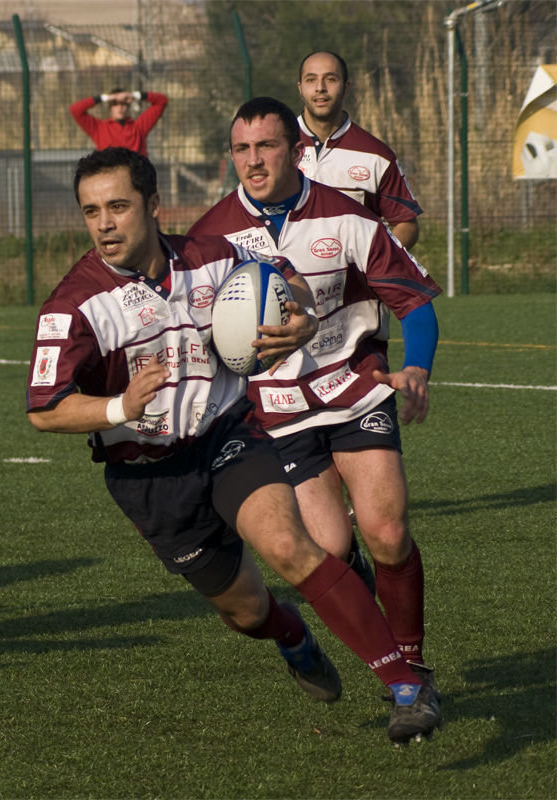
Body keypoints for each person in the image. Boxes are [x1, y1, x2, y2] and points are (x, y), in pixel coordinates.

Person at [26, 145, 442, 745]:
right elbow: (45, 410)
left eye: (118, 206)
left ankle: (407, 687)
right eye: (91, 211)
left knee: (289, 545)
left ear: (154, 205)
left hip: (227, 434)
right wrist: (119, 408)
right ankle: (291, 636)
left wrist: (298, 317)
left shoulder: (215, 255)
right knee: (245, 612)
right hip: (150, 479)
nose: (105, 223)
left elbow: (292, 282)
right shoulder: (75, 306)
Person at [187, 97, 441, 703]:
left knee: (386, 532)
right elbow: (195, 333)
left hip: (357, 387)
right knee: (328, 550)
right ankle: (371, 631)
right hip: (274, 410)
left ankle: (411, 669)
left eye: (267, 146)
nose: (254, 160)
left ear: (297, 152)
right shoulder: (211, 234)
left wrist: (416, 367)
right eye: (243, 149)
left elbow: (415, 301)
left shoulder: (347, 218)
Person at [295, 51, 421, 249]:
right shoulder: (277, 145)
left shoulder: (376, 155)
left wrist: (374, 264)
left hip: (351, 279)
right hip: (285, 278)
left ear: (346, 88)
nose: (320, 88)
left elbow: (406, 223)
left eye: (330, 79)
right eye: (311, 80)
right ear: (300, 89)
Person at [69, 87, 168, 156]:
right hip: (109, 180)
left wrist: (134, 95)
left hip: (136, 179)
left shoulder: (139, 127)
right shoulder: (99, 128)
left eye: (124, 104)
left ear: (129, 106)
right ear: (110, 107)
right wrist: (104, 98)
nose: (120, 107)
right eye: (115, 104)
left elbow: (162, 101)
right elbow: (76, 110)